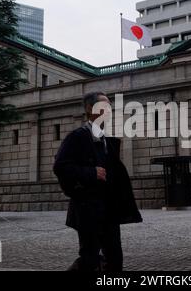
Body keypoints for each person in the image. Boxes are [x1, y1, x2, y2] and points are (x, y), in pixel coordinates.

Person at [53, 92, 143, 272]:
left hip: (108, 210)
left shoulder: (107, 140)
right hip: (87, 209)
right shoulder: (77, 137)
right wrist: (90, 172)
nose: (109, 109)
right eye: (104, 105)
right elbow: (60, 167)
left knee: (115, 258)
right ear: (89, 109)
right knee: (89, 258)